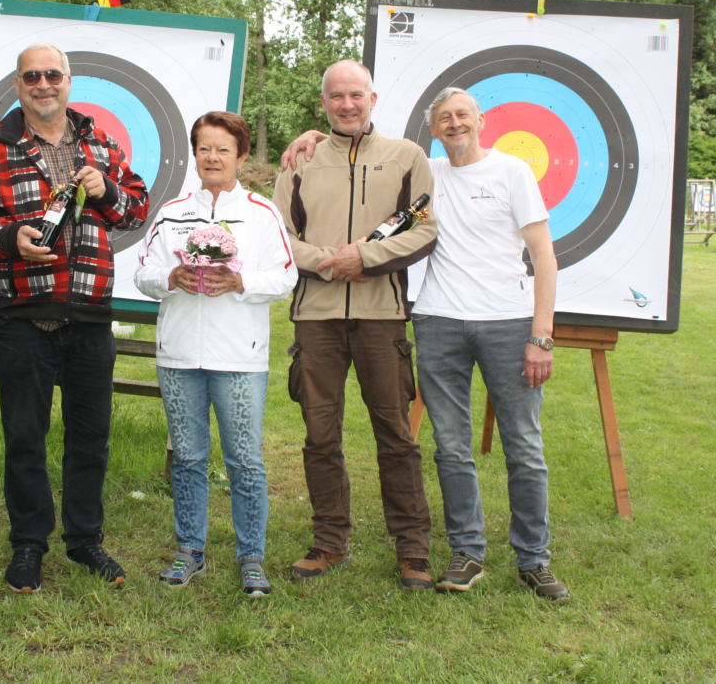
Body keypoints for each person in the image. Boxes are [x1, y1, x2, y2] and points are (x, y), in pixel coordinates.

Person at [282, 86, 568, 602]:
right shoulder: (424, 171)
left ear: (480, 119)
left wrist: (541, 336)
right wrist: (315, 139)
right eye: (444, 118)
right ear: (433, 129)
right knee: (452, 447)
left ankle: (534, 559)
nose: (455, 123)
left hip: (507, 323)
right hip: (439, 322)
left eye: (463, 114)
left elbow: (544, 257)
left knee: (523, 446)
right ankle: (466, 550)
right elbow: (394, 225)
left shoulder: (512, 172)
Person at [0, 42, 149, 594]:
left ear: (68, 81)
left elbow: (136, 208)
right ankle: (28, 545)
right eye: (31, 75)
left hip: (89, 317)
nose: (43, 84)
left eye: (52, 75)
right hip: (22, 318)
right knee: (24, 438)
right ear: (18, 85)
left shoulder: (100, 142)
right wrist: (9, 237)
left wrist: (107, 188)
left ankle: (85, 540)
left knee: (91, 439)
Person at [272, 60, 438, 590]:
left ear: (372, 98)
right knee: (321, 436)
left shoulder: (407, 157)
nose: (347, 104)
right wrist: (327, 261)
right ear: (323, 103)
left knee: (395, 435)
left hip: (381, 318)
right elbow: (280, 236)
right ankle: (329, 541)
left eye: (356, 95)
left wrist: (362, 258)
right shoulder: (299, 161)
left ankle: (412, 548)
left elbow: (422, 226)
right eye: (336, 96)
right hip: (316, 319)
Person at [134, 111, 297, 597]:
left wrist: (241, 281)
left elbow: (285, 277)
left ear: (241, 157)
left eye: (223, 149)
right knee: (186, 456)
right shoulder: (171, 212)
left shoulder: (262, 213)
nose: (212, 157)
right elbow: (143, 273)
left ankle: (251, 558)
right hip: (179, 354)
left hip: (239, 359)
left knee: (245, 460)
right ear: (194, 153)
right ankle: (190, 551)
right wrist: (170, 279)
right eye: (204, 148)